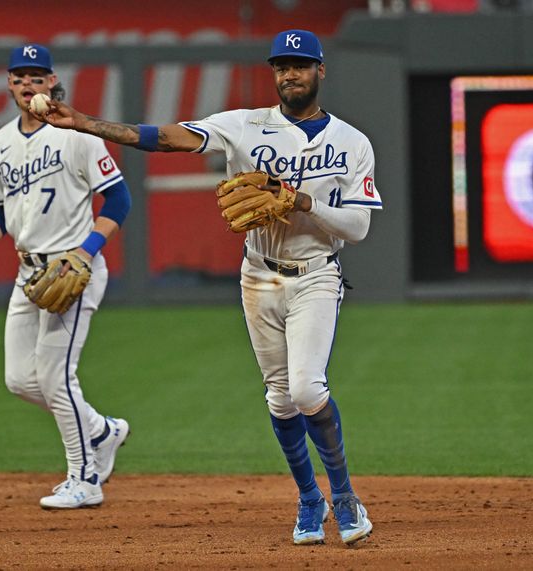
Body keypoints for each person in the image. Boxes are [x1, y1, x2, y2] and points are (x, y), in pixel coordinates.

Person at [33, 30, 381, 544]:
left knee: (308, 388)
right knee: (281, 400)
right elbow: (165, 137)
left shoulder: (352, 142)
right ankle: (310, 500)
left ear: (320, 71)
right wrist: (85, 123)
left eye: (300, 65)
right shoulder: (243, 126)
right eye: (282, 66)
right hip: (259, 276)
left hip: (317, 274)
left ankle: (346, 497)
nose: (290, 74)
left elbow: (358, 227)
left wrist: (301, 202)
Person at [0, 44, 132, 509]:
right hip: (29, 273)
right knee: (19, 380)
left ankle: (85, 477)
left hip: (73, 270)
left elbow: (119, 202)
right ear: (9, 83)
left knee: (55, 378)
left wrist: (85, 252)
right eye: (20, 76)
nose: (28, 84)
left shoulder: (79, 134)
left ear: (52, 81)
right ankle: (101, 430)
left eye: (37, 75)